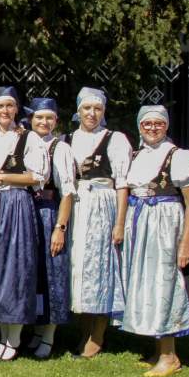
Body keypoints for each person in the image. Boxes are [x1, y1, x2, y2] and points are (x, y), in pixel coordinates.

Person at [119, 105, 189, 377]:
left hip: (165, 226)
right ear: (140, 127)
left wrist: (185, 243)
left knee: (164, 284)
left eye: (158, 124)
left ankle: (170, 356)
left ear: (166, 126)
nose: (152, 128)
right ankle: (158, 349)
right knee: (147, 284)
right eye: (146, 124)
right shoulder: (137, 155)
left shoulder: (178, 157)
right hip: (141, 224)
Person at [0, 86, 49, 361]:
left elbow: (37, 176)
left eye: (9, 106)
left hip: (17, 204)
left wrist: (4, 177)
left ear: (17, 109)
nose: (5, 112)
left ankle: (13, 338)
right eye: (0, 107)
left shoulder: (29, 138)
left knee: (16, 267)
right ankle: (2, 334)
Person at [65, 87, 131, 358]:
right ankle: (84, 330)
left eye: (97, 109)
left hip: (103, 206)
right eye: (86, 109)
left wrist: (119, 222)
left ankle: (98, 336)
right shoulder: (68, 139)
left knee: (102, 268)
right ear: (78, 110)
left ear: (103, 112)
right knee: (79, 269)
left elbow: (123, 184)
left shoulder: (115, 140)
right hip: (77, 206)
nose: (91, 114)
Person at [24, 98, 76, 359]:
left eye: (49, 119)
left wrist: (60, 227)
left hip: (49, 212)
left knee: (52, 270)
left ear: (56, 122)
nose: (43, 123)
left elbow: (67, 192)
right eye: (39, 118)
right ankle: (35, 328)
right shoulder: (26, 143)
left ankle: (49, 333)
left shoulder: (61, 148)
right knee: (34, 272)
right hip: (26, 213)